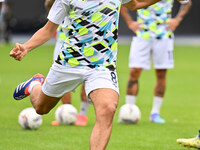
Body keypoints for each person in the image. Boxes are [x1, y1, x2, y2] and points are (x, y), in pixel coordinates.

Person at [9, 0, 183, 149]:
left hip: (102, 67)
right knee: (41, 108)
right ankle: (35, 85)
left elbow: (136, 3)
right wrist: (26, 47)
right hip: (69, 62)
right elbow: (48, 30)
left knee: (107, 109)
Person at [120, 0, 191, 124]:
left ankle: (155, 113)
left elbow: (187, 3)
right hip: (142, 35)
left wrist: (177, 20)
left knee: (161, 74)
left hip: (163, 36)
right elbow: (121, 3)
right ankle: (129, 110)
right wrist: (130, 22)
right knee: (134, 71)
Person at [45, 0, 89, 127]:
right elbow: (48, 5)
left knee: (88, 76)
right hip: (62, 40)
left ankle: (82, 114)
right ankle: (67, 112)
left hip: (84, 41)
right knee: (61, 77)